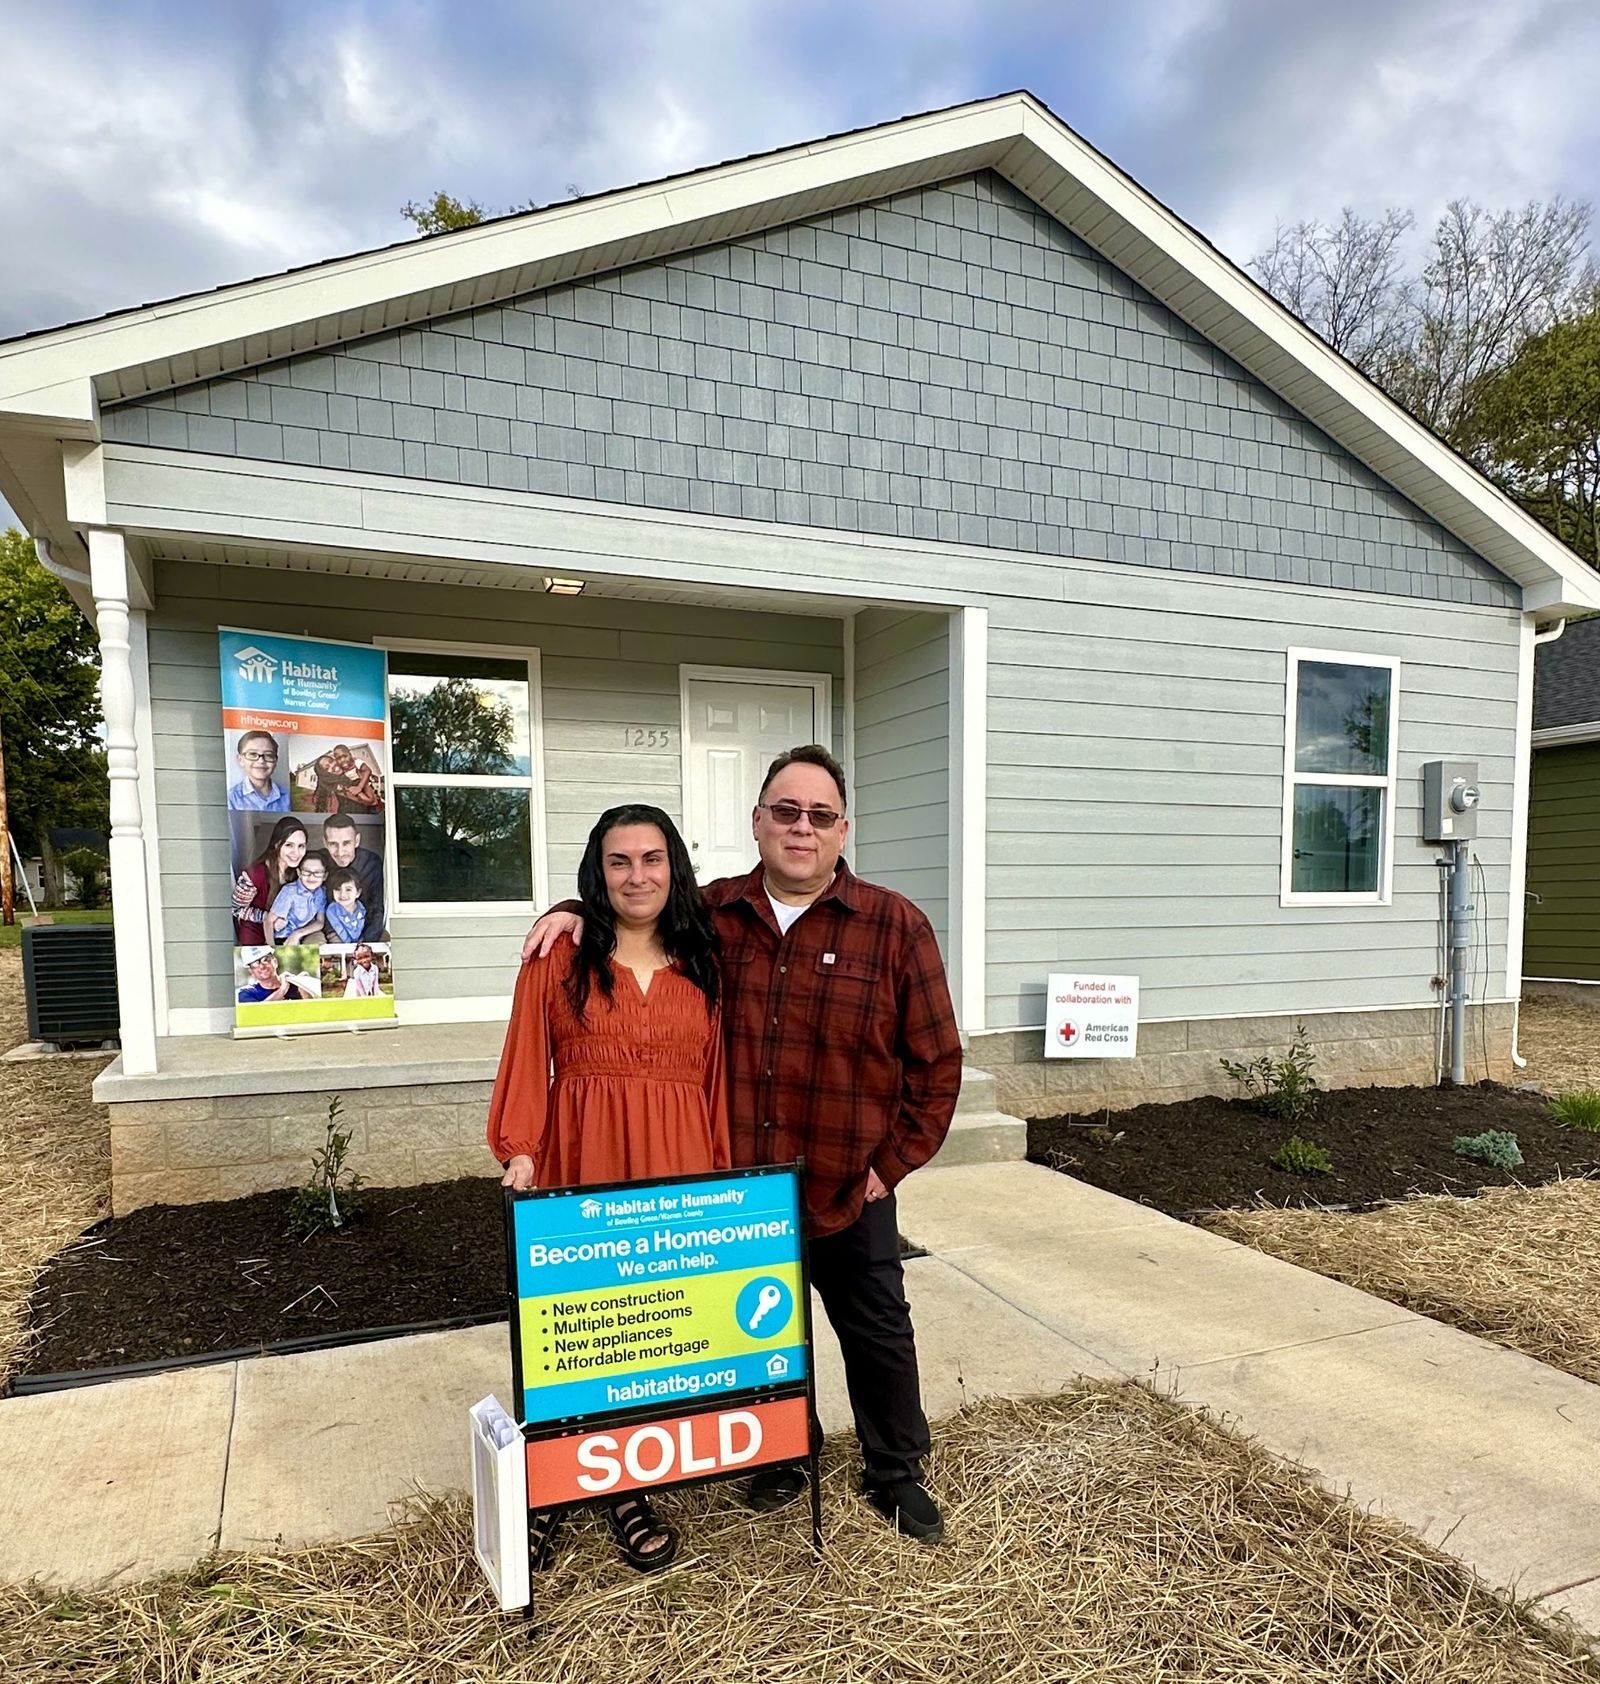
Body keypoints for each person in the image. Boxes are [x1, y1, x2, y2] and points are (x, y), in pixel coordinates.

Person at [524, 746, 962, 1544]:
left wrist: (888, 1167)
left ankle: (895, 1470)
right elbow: (633, 904)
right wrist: (573, 907)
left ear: (842, 829)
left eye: (819, 815)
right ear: (758, 822)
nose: (802, 828)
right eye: (785, 812)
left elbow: (938, 1067)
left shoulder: (895, 925)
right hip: (741, 1188)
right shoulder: (715, 915)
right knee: (761, 1331)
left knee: (877, 1330)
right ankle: (786, 1455)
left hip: (845, 1179)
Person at [491, 803, 729, 1575]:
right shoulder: (558, 957)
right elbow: (527, 1054)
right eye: (620, 861)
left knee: (650, 1330)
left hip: (678, 1166)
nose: (637, 876)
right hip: (585, 1159)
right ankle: (551, 1490)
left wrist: (722, 1181)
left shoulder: (704, 962)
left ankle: (625, 1487)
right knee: (576, 1325)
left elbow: (716, 1083)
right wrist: (522, 1150)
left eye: (652, 859)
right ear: (599, 870)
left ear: (674, 867)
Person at [232, 817, 308, 944]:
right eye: (289, 845)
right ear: (276, 844)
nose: (296, 853)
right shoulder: (253, 875)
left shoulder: (300, 871)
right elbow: (235, 908)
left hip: (286, 930)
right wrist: (267, 917)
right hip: (256, 933)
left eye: (301, 846)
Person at [321, 814, 386, 939]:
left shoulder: (371, 863)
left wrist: (366, 943)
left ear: (357, 841)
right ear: (325, 842)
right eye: (333, 844)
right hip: (327, 933)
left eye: (346, 843)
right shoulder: (319, 862)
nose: (340, 852)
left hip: (363, 933)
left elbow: (377, 909)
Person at [268, 848, 329, 944]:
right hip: (283, 937)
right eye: (306, 872)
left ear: (325, 876)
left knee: (318, 949)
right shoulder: (290, 892)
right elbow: (268, 921)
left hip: (303, 933)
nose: (311, 877)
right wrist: (271, 946)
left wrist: (297, 934)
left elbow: (320, 922)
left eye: (317, 873)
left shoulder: (321, 892)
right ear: (299, 873)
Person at [227, 730, 290, 812]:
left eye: (268, 755)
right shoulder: (232, 798)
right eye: (253, 754)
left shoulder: (286, 796)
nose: (261, 761)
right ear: (240, 760)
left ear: (275, 761)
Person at [236, 947, 313, 1003]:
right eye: (255, 964)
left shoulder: (296, 985)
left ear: (275, 962)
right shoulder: (246, 993)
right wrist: (283, 989)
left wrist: (305, 988)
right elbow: (256, 1012)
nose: (262, 966)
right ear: (251, 971)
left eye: (265, 960)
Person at [324, 867, 366, 944]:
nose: (342, 894)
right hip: (339, 938)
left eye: (348, 889)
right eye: (337, 889)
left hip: (358, 940)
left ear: (358, 893)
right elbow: (339, 929)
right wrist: (350, 945)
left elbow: (361, 928)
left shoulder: (361, 907)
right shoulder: (332, 909)